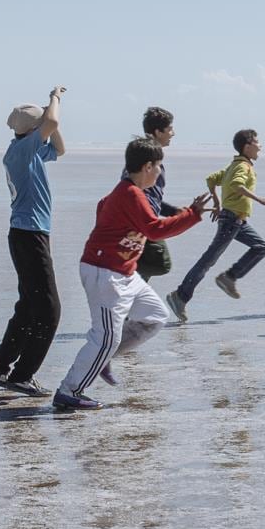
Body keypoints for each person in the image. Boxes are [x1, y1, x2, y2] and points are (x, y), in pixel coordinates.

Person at [55, 137, 213, 411]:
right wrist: (192, 214)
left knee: (155, 317)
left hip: (126, 274)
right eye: (159, 166)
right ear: (148, 166)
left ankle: (102, 357)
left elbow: (103, 206)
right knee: (105, 337)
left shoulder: (126, 194)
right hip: (105, 274)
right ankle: (69, 390)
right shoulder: (130, 193)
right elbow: (155, 230)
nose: (160, 172)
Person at [0, 89, 66, 394]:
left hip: (29, 234)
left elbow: (60, 148)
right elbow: (53, 124)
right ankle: (22, 374)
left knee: (29, 307)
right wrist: (54, 99)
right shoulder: (22, 151)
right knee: (49, 309)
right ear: (33, 130)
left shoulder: (24, 147)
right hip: (29, 235)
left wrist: (51, 116)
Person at [168, 129, 265, 320]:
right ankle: (180, 296)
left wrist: (218, 203)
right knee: (208, 260)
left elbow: (211, 179)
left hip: (237, 221)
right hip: (231, 220)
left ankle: (229, 277)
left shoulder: (234, 165)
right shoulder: (242, 167)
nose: (260, 146)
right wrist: (259, 199)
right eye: (258, 142)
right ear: (247, 146)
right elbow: (235, 184)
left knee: (261, 247)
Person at [135, 107, 185, 281]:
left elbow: (152, 196)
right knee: (160, 263)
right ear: (158, 131)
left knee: (149, 270)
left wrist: (172, 211)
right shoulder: (144, 157)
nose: (173, 133)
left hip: (146, 223)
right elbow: (136, 192)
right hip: (142, 225)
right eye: (170, 129)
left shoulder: (153, 156)